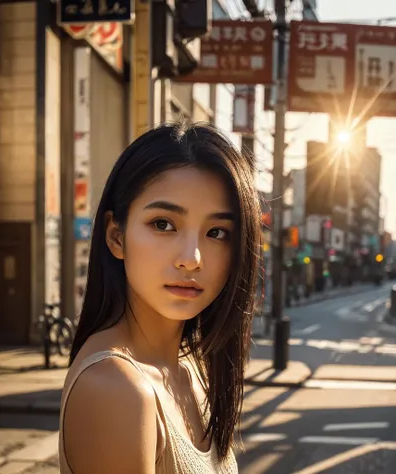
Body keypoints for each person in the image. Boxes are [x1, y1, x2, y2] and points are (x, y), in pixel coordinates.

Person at [59, 123, 262, 474]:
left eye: (217, 232)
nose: (191, 257)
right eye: (163, 224)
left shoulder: (190, 367)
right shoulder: (115, 388)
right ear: (116, 237)